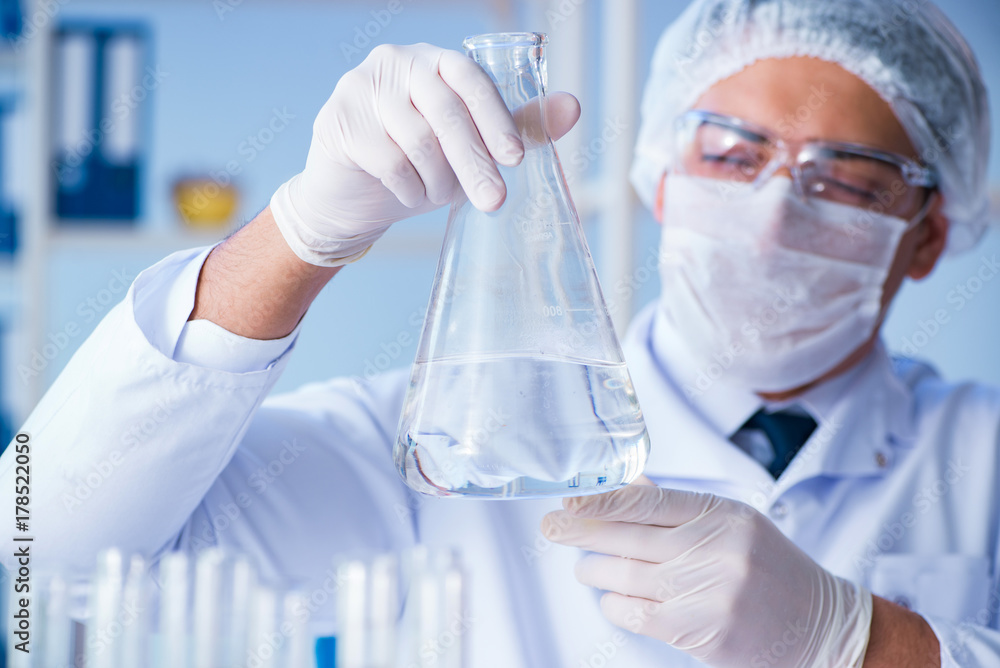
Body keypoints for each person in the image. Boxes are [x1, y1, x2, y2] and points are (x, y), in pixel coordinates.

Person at [2, 0, 997, 665]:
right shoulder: (436, 445)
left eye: (847, 179)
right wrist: (299, 231)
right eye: (732, 154)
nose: (777, 211)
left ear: (927, 236)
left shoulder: (980, 458)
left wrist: (862, 636)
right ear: (661, 181)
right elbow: (34, 555)